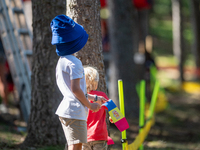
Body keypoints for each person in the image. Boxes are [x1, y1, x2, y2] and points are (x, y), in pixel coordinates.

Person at [50, 15, 106, 150]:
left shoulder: (62, 61)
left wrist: (95, 98)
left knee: (74, 145)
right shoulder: (75, 63)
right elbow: (76, 90)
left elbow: (72, 91)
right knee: (76, 146)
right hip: (75, 111)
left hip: (67, 109)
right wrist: (90, 106)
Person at [82, 66, 111, 150]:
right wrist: (111, 117)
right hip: (100, 135)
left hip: (84, 135)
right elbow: (112, 109)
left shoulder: (81, 98)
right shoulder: (101, 96)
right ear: (95, 84)